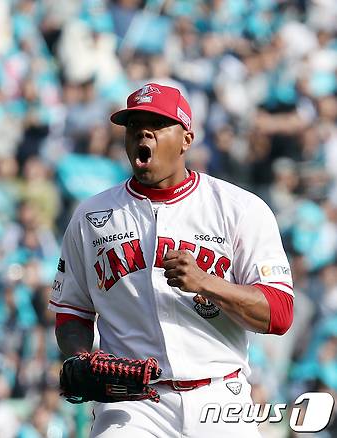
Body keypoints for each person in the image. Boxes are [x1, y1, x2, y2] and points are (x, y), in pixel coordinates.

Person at [50, 83, 294, 437]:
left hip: (220, 396)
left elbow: (279, 313)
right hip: (131, 406)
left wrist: (206, 282)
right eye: (135, 126)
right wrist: (79, 356)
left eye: (158, 124)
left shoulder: (240, 209)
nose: (143, 132)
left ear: (186, 139)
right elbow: (72, 312)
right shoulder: (91, 216)